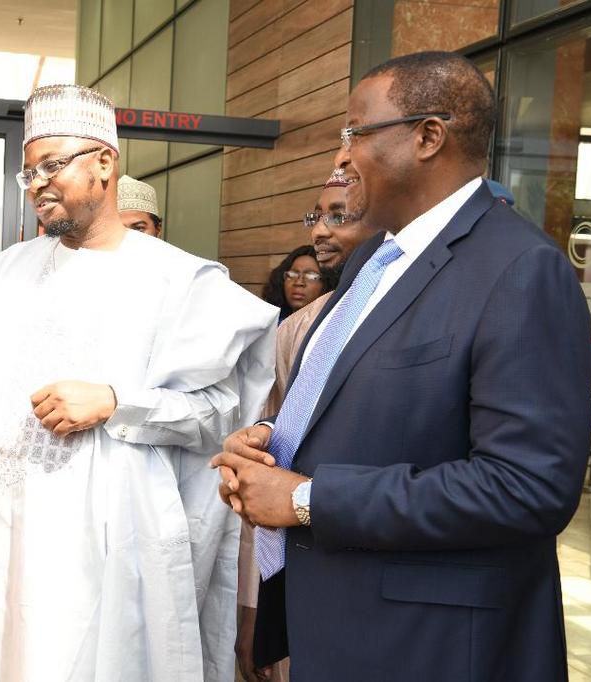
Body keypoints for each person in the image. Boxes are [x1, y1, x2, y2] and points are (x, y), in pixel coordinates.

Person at [215, 51, 591, 682]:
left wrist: (307, 498)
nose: (341, 158)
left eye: (355, 133)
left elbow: (527, 486)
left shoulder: (521, 270)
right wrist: (272, 447)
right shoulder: (373, 263)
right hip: (337, 623)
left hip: (432, 646)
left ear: (428, 136)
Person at [0, 84, 278, 682]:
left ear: (105, 162)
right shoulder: (7, 272)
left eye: (53, 164)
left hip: (102, 550)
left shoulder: (178, 281)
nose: (39, 183)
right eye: (28, 173)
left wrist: (118, 404)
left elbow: (223, 418)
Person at [235, 167, 379, 682]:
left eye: (339, 216)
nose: (320, 230)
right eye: (316, 216)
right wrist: (258, 608)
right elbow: (273, 460)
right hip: (300, 571)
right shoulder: (301, 327)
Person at [261, 245, 330, 322]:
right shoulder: (270, 324)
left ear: (327, 283)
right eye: (292, 274)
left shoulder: (329, 328)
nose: (299, 282)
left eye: (311, 276)